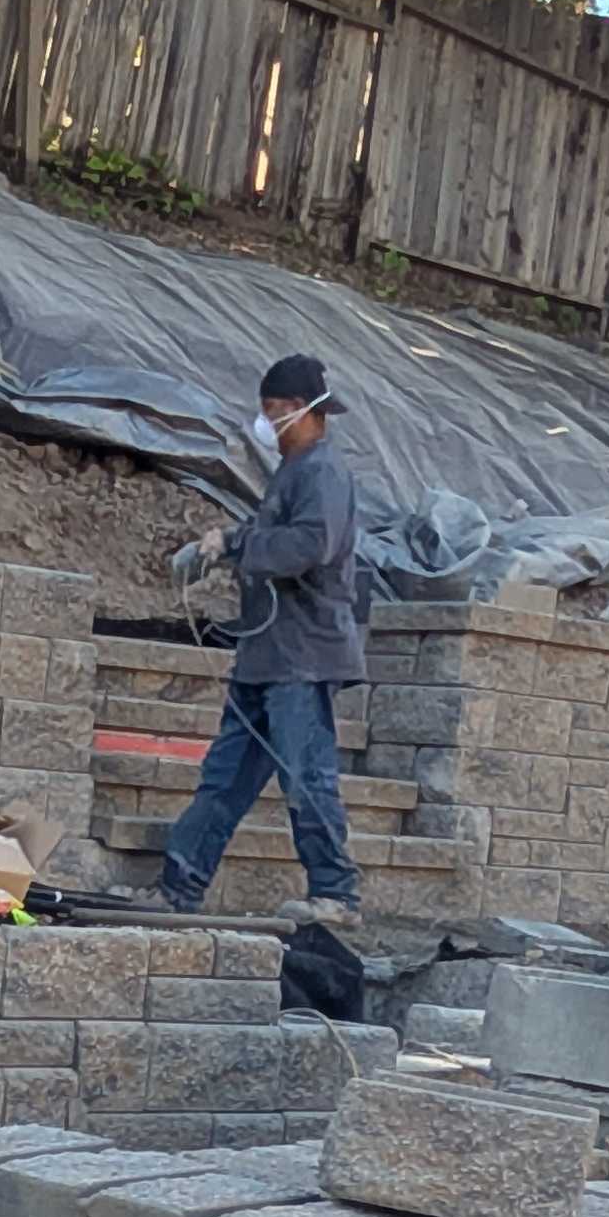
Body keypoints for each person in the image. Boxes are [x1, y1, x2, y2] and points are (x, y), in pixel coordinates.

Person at [137, 348, 366, 914]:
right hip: (267, 656)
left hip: (304, 657)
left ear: (300, 408)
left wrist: (239, 547)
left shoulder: (322, 473)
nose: (265, 421)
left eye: (271, 410)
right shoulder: (295, 470)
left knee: (306, 778)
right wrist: (229, 540)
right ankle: (178, 888)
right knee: (225, 778)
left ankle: (335, 894)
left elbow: (309, 545)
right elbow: (278, 532)